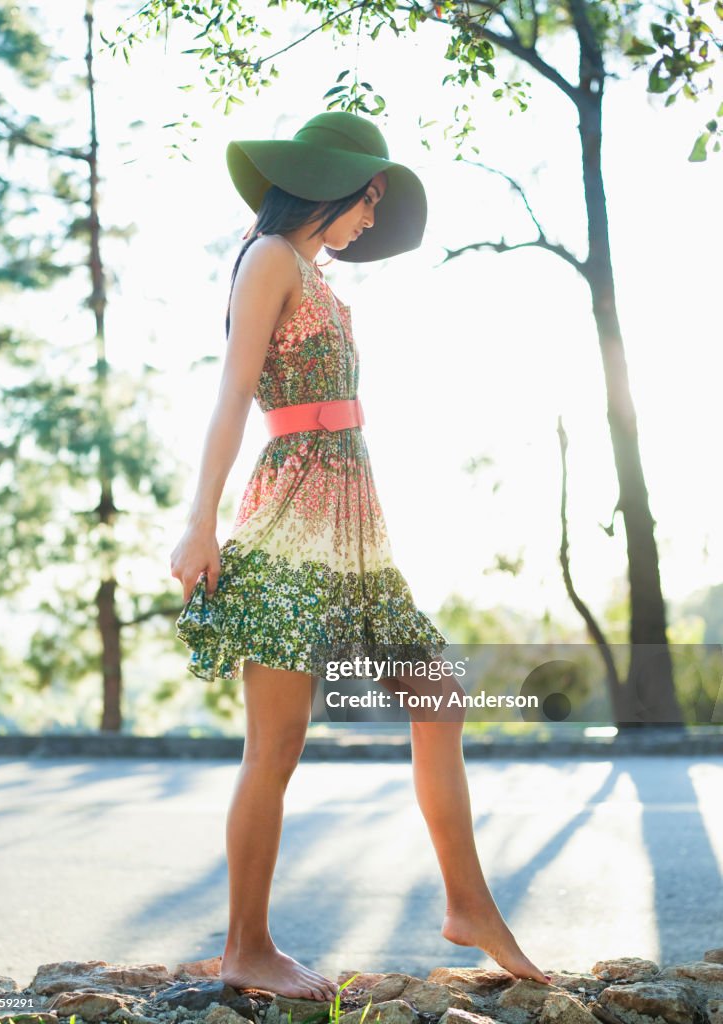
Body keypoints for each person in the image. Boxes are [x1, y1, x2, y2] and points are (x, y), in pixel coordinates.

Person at [170, 111, 552, 1001]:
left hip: (355, 533)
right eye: (369, 200)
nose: (371, 220)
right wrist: (200, 520)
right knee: (276, 747)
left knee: (437, 694)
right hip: (293, 525)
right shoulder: (268, 258)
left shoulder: (312, 272)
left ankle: (468, 905)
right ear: (334, 186)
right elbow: (232, 394)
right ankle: (245, 947)